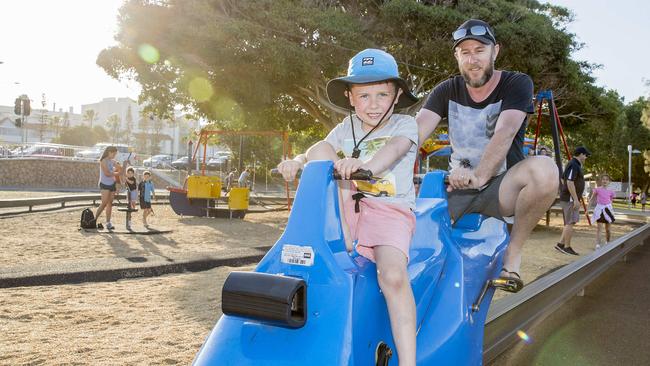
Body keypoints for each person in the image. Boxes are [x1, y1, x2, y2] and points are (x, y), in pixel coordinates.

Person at [277, 49, 419, 366]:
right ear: (350, 97)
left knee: (392, 276)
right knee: (323, 149)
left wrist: (365, 164)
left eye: (382, 94)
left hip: (389, 211)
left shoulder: (404, 126)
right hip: (350, 208)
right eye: (364, 95)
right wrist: (296, 161)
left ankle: (408, 361)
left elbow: (393, 153)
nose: (373, 103)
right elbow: (319, 149)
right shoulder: (346, 127)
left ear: (396, 96)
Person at [415, 19, 559, 291]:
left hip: (500, 187)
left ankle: (512, 254)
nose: (473, 59)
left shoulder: (516, 83)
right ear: (457, 56)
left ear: (495, 51)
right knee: (421, 241)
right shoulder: (446, 90)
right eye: (465, 52)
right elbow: (415, 132)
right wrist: (374, 162)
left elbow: (504, 131)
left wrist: (480, 176)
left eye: (480, 50)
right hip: (457, 186)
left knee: (545, 170)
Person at [555, 146, 591, 255]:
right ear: (580, 154)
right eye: (585, 155)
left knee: (570, 222)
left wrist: (565, 190)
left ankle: (560, 244)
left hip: (569, 197)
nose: (586, 157)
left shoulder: (573, 164)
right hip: (570, 199)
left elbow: (563, 179)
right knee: (570, 222)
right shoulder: (574, 165)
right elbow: (570, 182)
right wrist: (575, 198)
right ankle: (567, 247)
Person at [95, 146, 120, 230]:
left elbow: (121, 170)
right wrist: (117, 173)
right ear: (109, 152)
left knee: (110, 203)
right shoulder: (103, 161)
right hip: (104, 184)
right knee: (104, 203)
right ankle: (94, 220)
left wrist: (124, 164)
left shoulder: (113, 161)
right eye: (114, 154)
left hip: (112, 184)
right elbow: (107, 173)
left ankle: (108, 223)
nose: (115, 155)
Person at [589, 173, 615, 249]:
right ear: (601, 180)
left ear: (609, 181)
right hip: (599, 210)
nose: (605, 181)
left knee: (608, 230)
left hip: (608, 210)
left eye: (607, 180)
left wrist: (611, 211)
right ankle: (598, 244)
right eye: (603, 179)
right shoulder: (597, 190)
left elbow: (611, 201)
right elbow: (591, 200)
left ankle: (608, 242)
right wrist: (587, 209)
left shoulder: (611, 191)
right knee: (599, 228)